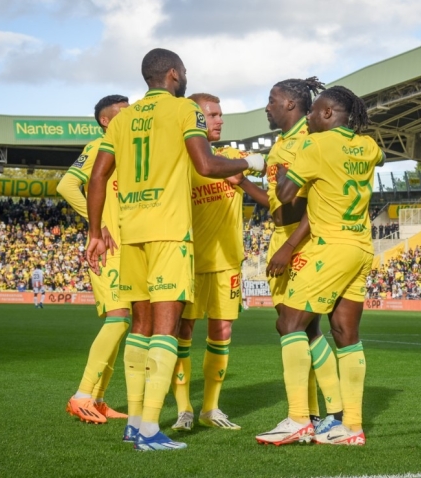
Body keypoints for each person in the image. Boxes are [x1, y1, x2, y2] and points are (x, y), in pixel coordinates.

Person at [85, 48, 264, 452]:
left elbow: (98, 176)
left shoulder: (124, 118)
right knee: (166, 329)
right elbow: (205, 165)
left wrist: (95, 231)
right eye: (182, 72)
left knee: (140, 327)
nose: (184, 76)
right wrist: (249, 162)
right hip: (169, 232)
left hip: (131, 233)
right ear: (172, 75)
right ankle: (150, 429)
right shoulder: (185, 111)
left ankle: (133, 422)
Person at [257, 85, 383, 446]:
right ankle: (352, 427)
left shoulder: (314, 145)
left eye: (314, 113)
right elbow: (381, 157)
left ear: (328, 113)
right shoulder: (368, 146)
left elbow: (284, 194)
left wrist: (286, 167)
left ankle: (298, 418)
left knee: (290, 323)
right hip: (361, 247)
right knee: (346, 335)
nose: (309, 118)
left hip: (330, 247)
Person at [244, 77, 328, 428]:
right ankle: (312, 413)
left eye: (272, 100)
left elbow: (318, 202)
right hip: (280, 235)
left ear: (291, 104)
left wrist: (292, 245)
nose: (267, 106)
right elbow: (278, 200)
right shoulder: (280, 145)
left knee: (295, 325)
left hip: (302, 239)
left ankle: (326, 413)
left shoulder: (309, 139)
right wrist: (245, 184)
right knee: (300, 330)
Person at [170, 93, 245, 432]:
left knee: (222, 331)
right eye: (212, 115)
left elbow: (261, 190)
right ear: (195, 118)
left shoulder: (234, 158)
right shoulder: (181, 162)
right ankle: (184, 408)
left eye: (220, 114)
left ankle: (210, 408)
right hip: (189, 261)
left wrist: (243, 174)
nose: (219, 120)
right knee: (182, 332)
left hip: (228, 262)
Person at [57, 94, 132, 425]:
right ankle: (82, 395)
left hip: (127, 247)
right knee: (117, 318)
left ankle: (98, 399)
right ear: (106, 121)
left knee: (123, 320)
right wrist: (97, 226)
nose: (131, 116)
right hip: (108, 248)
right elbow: (67, 185)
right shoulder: (99, 145)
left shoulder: (126, 149)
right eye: (123, 113)